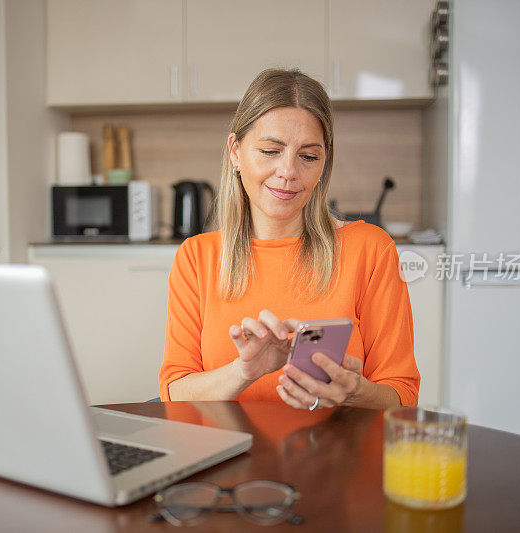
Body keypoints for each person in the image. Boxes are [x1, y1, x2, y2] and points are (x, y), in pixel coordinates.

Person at [158, 69, 419, 410]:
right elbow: (175, 392)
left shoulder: (371, 249)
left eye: (308, 156)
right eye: (270, 151)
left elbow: (403, 396)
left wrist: (354, 391)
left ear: (324, 163)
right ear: (236, 152)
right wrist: (243, 371)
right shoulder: (196, 257)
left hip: (338, 457)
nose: (288, 172)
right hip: (227, 455)